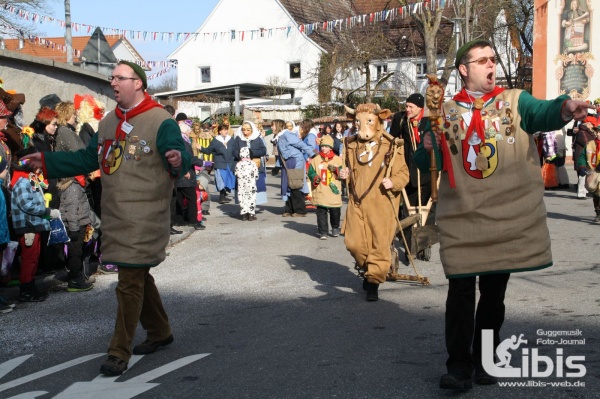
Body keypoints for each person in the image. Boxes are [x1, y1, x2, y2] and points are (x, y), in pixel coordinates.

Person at [415, 39, 593, 390]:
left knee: (494, 297)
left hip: (506, 220)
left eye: (493, 59)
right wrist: (427, 145)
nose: (490, 65)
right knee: (461, 294)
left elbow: (544, 111)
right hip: (462, 218)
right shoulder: (443, 112)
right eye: (481, 61)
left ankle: (485, 359)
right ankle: (459, 366)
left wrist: (565, 107)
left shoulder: (514, 101)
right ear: (464, 69)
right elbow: (424, 163)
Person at [21, 60, 191, 376]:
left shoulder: (159, 121)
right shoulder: (109, 121)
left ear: (138, 83)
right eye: (111, 77)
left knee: (128, 280)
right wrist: (44, 159)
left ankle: (118, 351)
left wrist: (178, 157)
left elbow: (180, 152)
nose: (113, 82)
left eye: (120, 78)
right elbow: (87, 159)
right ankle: (160, 332)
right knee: (137, 274)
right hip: (117, 213)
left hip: (146, 216)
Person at [11, 147, 60, 302]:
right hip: (28, 225)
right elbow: (26, 204)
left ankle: (30, 287)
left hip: (32, 224)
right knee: (29, 259)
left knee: (33, 258)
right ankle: (26, 289)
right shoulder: (23, 182)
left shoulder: (28, 180)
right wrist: (46, 211)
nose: (39, 169)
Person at [389, 93, 433, 260]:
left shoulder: (429, 121)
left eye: (410, 107)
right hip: (409, 170)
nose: (407, 109)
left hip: (428, 171)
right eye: (406, 106)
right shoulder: (400, 119)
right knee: (409, 210)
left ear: (420, 108)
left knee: (428, 211)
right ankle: (409, 245)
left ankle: (425, 243)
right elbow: (391, 138)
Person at [57, 174, 94, 292]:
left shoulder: (74, 186)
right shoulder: (73, 187)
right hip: (76, 225)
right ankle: (75, 281)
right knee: (75, 253)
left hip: (77, 224)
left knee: (75, 252)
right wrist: (74, 229)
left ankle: (75, 276)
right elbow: (72, 211)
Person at [272, 119, 315, 217]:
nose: (271, 128)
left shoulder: (287, 134)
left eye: (273, 125)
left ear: (278, 126)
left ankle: (300, 210)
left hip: (295, 161)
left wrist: (312, 154)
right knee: (287, 185)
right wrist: (277, 166)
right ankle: (289, 209)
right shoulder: (279, 137)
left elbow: (300, 144)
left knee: (295, 184)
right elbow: (281, 154)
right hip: (286, 162)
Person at [307, 134, 343, 239]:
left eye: (326, 146)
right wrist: (315, 177)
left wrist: (336, 170)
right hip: (321, 189)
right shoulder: (316, 160)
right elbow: (311, 172)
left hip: (333, 190)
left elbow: (343, 173)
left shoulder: (337, 160)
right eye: (322, 146)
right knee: (321, 211)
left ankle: (335, 227)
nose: (324, 148)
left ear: (330, 147)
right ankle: (323, 231)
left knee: (335, 210)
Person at [175, 116, 205, 230]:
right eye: (188, 131)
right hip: (185, 174)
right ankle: (193, 221)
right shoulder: (184, 142)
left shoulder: (178, 140)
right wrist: (204, 162)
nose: (190, 133)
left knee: (179, 197)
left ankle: (179, 220)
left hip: (179, 174)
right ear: (185, 131)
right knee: (192, 198)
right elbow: (188, 158)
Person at [232, 121, 268, 209]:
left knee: (254, 187)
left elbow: (263, 150)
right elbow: (234, 151)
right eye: (243, 130)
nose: (245, 132)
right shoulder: (238, 139)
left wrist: (251, 153)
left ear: (252, 130)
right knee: (243, 189)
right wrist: (241, 155)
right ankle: (244, 208)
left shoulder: (257, 138)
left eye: (248, 130)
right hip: (242, 169)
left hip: (255, 167)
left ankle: (251, 208)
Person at [200, 123, 235, 204]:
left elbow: (235, 150)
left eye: (226, 130)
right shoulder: (215, 141)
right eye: (224, 130)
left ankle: (224, 195)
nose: (226, 131)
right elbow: (208, 151)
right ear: (220, 132)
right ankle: (222, 197)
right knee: (221, 180)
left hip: (230, 163)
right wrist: (201, 148)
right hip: (220, 163)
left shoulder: (232, 139)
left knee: (228, 180)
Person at [234, 147, 259, 221]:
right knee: (251, 197)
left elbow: (235, 173)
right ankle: (251, 214)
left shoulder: (238, 164)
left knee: (242, 197)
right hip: (251, 184)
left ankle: (244, 214)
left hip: (241, 184)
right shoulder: (252, 163)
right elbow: (256, 174)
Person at [583, 124, 600, 221]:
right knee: (595, 193)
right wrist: (581, 166)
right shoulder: (590, 144)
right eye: (597, 132)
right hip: (593, 171)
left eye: (599, 132)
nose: (598, 134)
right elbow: (582, 156)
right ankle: (597, 211)